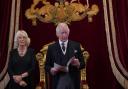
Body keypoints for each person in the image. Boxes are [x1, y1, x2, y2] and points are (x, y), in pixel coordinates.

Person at [45, 23, 85, 89]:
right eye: (62, 33)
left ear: (69, 33)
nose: (64, 35)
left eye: (66, 32)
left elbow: (83, 64)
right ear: (57, 34)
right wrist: (51, 69)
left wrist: (78, 64)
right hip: (58, 80)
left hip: (73, 80)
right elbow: (46, 65)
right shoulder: (51, 48)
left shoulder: (76, 45)